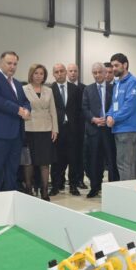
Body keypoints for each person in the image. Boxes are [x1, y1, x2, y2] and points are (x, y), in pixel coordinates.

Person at [0, 51, 31, 193]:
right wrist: (18, 110)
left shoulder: (17, 83)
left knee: (12, 170)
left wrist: (27, 109)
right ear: (1, 63)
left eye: (15, 64)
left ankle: (9, 199)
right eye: (9, 63)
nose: (12, 66)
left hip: (16, 134)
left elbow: (25, 101)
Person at [22, 64, 58, 201]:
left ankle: (44, 191)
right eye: (36, 73)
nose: (38, 76)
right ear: (31, 74)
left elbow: (53, 111)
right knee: (29, 162)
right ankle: (29, 189)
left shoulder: (49, 90)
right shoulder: (24, 89)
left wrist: (55, 129)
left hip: (46, 130)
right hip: (29, 129)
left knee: (45, 162)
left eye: (41, 73)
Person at [82, 62, 118, 198]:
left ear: (105, 73)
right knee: (94, 160)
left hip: (109, 130)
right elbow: (84, 108)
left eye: (99, 72)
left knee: (111, 160)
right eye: (94, 73)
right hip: (94, 130)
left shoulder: (113, 88)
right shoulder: (88, 89)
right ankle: (95, 187)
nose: (97, 75)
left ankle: (113, 188)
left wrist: (109, 117)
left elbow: (116, 105)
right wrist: (94, 119)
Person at [106, 53, 136, 181]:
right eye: (112, 66)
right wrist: (109, 115)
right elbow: (114, 103)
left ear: (125, 65)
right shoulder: (117, 83)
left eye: (116, 65)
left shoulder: (133, 82)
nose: (114, 68)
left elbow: (130, 106)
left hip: (128, 128)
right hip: (118, 128)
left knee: (126, 164)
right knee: (120, 163)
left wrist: (114, 118)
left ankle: (128, 190)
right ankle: (124, 189)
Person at [50, 63, 83, 196]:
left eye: (62, 71)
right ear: (53, 74)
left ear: (66, 72)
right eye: (56, 72)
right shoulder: (50, 90)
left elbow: (80, 110)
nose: (59, 74)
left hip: (73, 130)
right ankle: (56, 185)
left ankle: (73, 185)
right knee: (56, 160)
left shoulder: (75, 89)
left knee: (73, 158)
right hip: (57, 130)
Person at [66, 62, 87, 190]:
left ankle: (79, 179)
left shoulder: (84, 88)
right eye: (71, 71)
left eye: (75, 71)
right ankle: (61, 180)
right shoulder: (62, 87)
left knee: (79, 155)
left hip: (79, 127)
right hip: (65, 127)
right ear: (67, 73)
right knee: (64, 155)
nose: (73, 73)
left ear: (78, 73)